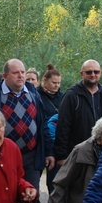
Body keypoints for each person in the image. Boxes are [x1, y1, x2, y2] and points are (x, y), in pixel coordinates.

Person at [0, 59, 54, 203]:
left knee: (32, 197)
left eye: (22, 72)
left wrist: (49, 151)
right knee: (6, 200)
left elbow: (42, 125)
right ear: (5, 76)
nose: (21, 76)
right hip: (3, 157)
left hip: (31, 156)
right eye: (16, 73)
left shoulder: (33, 93)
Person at [54, 59, 102, 166]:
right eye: (89, 72)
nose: (93, 75)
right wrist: (61, 156)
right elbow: (63, 126)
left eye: (96, 72)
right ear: (82, 73)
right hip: (77, 156)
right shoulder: (72, 96)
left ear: (100, 74)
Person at [38, 63, 63, 195]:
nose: (56, 85)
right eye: (54, 82)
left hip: (59, 141)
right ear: (45, 81)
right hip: (43, 140)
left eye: (59, 83)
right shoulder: (37, 95)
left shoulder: (63, 97)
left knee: (59, 177)